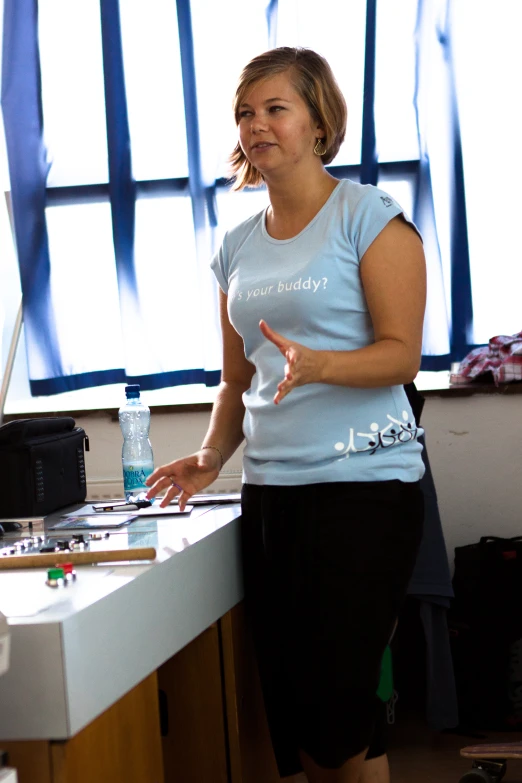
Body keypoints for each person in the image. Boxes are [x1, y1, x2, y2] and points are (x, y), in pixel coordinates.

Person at [146, 46, 427, 783]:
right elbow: (237, 380)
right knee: (297, 711)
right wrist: (211, 456)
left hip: (365, 489)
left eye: (276, 108)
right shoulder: (236, 247)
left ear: (317, 122)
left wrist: (320, 364)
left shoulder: (369, 217)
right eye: (246, 111)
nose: (257, 124)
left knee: (339, 709)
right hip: (271, 496)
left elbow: (402, 356)